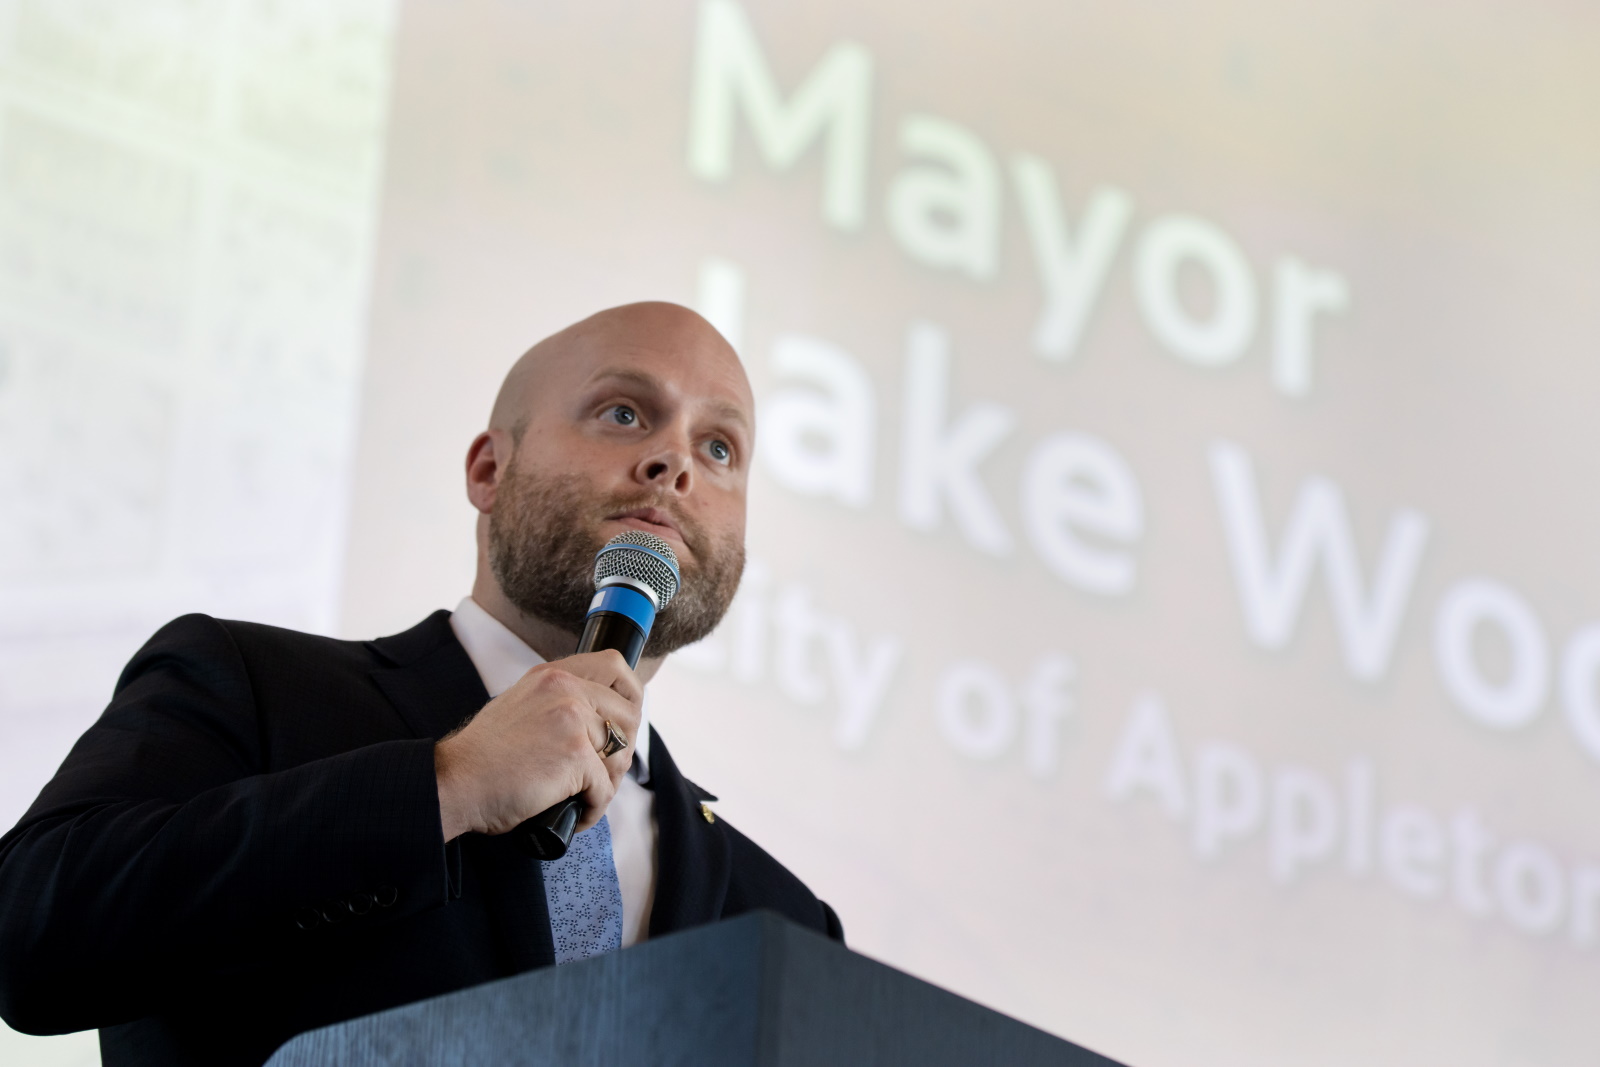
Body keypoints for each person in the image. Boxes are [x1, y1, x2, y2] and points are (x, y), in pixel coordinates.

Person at [0, 303, 842, 1067]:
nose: (674, 461)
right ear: (488, 471)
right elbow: (32, 933)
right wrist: (447, 783)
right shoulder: (250, 683)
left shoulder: (786, 920)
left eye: (719, 448)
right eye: (624, 413)